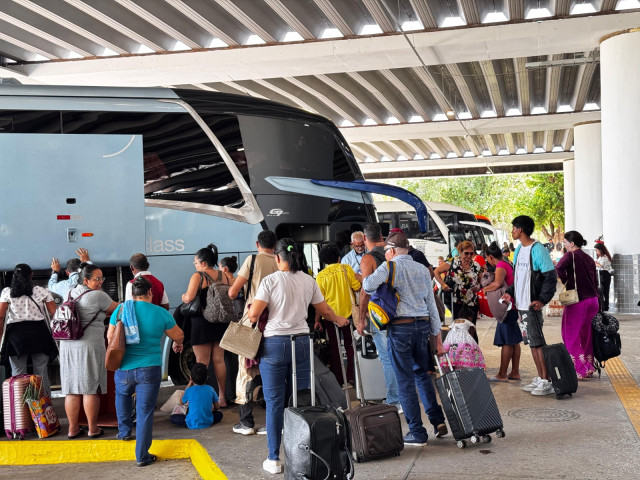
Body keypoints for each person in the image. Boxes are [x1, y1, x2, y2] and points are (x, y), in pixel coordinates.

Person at [248, 238, 349, 475]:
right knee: (302, 397)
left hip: (274, 345)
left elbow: (254, 315)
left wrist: (253, 307)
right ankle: (305, 455)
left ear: (277, 257)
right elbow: (324, 310)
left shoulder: (270, 281)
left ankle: (274, 458)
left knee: (274, 402)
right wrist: (339, 320)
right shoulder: (308, 280)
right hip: (302, 343)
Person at [363, 230, 447, 446]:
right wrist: (437, 338)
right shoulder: (422, 270)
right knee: (422, 374)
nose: (386, 254)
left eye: (386, 251)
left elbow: (367, 285)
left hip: (401, 328)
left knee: (404, 381)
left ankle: (417, 432)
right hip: (422, 327)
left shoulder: (389, 266)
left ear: (392, 251)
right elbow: (431, 306)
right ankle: (437, 420)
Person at [109, 276, 184, 466]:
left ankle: (124, 432)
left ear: (132, 294)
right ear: (150, 292)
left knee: (122, 396)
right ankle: (142, 456)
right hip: (149, 369)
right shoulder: (160, 312)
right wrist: (178, 343)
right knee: (144, 411)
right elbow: (179, 334)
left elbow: (110, 337)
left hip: (124, 368)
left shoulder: (121, 309)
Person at [228, 230, 279, 436]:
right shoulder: (280, 261)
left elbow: (233, 292)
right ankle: (271, 422)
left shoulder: (252, 260)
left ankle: (246, 422)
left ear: (258, 244)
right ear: (275, 245)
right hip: (274, 323)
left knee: (245, 372)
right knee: (269, 370)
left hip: (253, 321)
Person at [61, 263, 119, 438]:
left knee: (72, 388)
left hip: (68, 345)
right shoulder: (98, 296)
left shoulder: (69, 292)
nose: (101, 282)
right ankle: (93, 429)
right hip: (88, 346)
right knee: (90, 388)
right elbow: (119, 309)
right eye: (97, 279)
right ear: (86, 280)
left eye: (102, 278)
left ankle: (73, 429)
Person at [501, 216, 557, 396]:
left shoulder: (538, 249)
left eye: (513, 228)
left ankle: (547, 381)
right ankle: (541, 377)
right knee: (532, 343)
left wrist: (542, 300)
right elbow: (519, 277)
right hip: (521, 306)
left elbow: (550, 277)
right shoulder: (519, 249)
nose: (512, 231)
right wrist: (510, 292)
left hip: (532, 305)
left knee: (538, 343)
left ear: (520, 230)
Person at [355, 223, 401, 412]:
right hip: (400, 311)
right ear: (381, 236)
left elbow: (365, 291)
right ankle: (404, 397)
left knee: (387, 358)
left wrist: (361, 319)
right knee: (399, 356)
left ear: (365, 238)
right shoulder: (394, 253)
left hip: (381, 315)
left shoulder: (369, 258)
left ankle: (395, 400)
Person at [180, 243, 229, 407]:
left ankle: (194, 398)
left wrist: (183, 296)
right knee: (219, 361)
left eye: (195, 262)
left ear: (202, 263)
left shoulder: (198, 276)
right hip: (221, 322)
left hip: (202, 322)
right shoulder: (224, 275)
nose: (195, 265)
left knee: (201, 362)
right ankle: (222, 398)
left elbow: (189, 298)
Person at [0, 264, 57, 396]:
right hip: (39, 334)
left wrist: (0, 338)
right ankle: (44, 404)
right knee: (41, 372)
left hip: (16, 336)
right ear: (31, 276)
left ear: (14, 276)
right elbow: (54, 312)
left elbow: (1, 317)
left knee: (18, 373)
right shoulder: (41, 291)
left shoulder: (7, 292)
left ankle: (20, 406)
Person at [314, 244, 361, 385]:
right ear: (339, 257)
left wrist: (317, 320)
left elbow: (319, 301)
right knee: (350, 345)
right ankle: (351, 376)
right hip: (348, 315)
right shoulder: (346, 269)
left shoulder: (320, 276)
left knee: (334, 347)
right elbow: (357, 287)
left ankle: (338, 379)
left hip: (330, 316)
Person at [556, 231, 600, 379]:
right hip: (593, 300)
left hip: (577, 300)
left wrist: (566, 280)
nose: (564, 245)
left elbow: (558, 269)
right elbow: (595, 281)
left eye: (565, 242)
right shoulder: (589, 258)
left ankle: (580, 369)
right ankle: (589, 366)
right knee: (587, 335)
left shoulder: (570, 255)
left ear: (572, 243)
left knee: (570, 334)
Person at [484, 242, 522, 382]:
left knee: (507, 341)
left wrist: (484, 289)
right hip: (513, 305)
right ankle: (515, 372)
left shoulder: (500, 265)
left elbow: (497, 283)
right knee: (514, 340)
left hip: (507, 307)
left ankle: (502, 374)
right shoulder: (508, 262)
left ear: (490, 257)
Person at [435, 240, 482, 341]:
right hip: (457, 302)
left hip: (472, 302)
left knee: (471, 328)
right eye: (466, 253)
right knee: (458, 328)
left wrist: (478, 287)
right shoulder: (452, 263)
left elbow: (480, 281)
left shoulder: (476, 266)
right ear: (460, 252)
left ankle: (472, 348)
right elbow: (436, 272)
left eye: (471, 253)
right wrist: (443, 285)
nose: (469, 256)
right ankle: (459, 347)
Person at [170, 362, 223, 429]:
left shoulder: (189, 390)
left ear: (191, 378)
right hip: (208, 421)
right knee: (219, 414)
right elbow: (217, 406)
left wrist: (189, 383)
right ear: (207, 377)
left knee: (173, 417)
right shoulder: (210, 389)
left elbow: (181, 402)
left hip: (191, 422)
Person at [594, 242, 613, 311]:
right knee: (601, 290)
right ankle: (602, 306)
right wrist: (597, 264)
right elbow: (597, 264)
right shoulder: (600, 257)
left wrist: (597, 264)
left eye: (596, 250)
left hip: (605, 274)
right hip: (601, 273)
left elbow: (601, 266)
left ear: (600, 250)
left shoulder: (605, 257)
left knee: (605, 291)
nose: (596, 252)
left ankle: (605, 307)